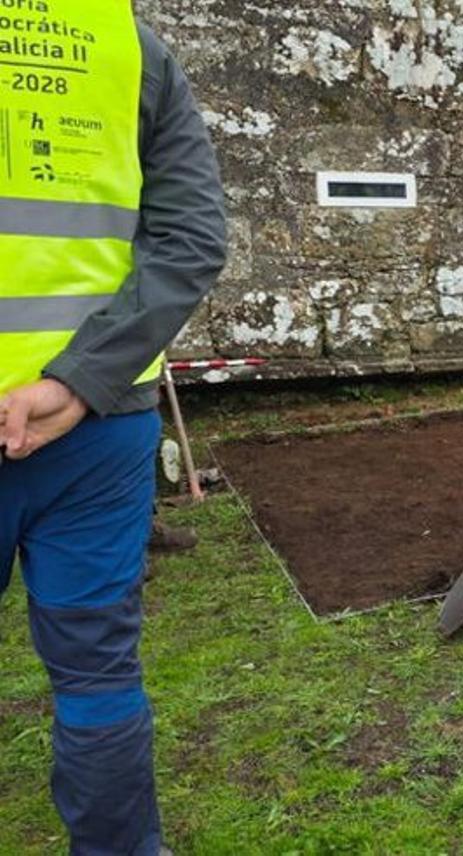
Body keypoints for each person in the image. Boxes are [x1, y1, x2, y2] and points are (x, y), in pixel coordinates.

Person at [0, 3, 227, 852]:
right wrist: (80, 379)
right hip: (97, 419)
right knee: (97, 676)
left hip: (95, 424)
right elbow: (191, 236)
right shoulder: (127, 45)